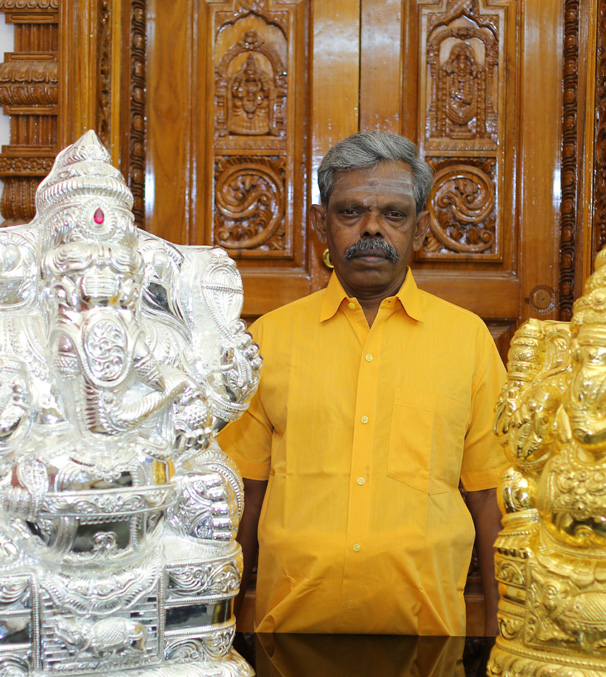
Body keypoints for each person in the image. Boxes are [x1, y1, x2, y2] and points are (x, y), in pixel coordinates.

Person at [217, 131, 507, 635]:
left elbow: (492, 497)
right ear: (319, 224)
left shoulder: (468, 341)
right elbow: (239, 494)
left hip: (429, 637)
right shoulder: (267, 341)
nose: (372, 228)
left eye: (394, 215)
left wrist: (505, 631)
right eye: (351, 212)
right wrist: (218, 627)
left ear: (418, 231)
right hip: (288, 634)